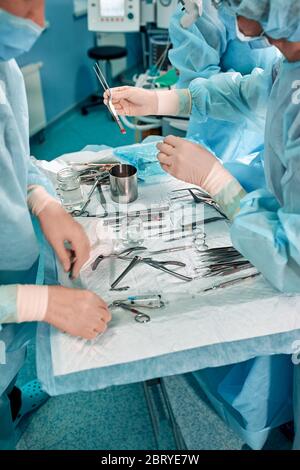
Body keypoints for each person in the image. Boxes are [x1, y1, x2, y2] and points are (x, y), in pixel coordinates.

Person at [105, 0, 300, 448]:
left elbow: (292, 258)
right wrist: (162, 98)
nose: (242, 27)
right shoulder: (290, 64)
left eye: (248, 9)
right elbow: (250, 88)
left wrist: (218, 181)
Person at [0, 0, 111, 450]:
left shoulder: (4, 65)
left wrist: (43, 201)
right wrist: (36, 302)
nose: (39, 18)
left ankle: (7, 402)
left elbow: (10, 153)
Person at [169, 0, 278, 164]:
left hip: (269, 141)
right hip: (219, 141)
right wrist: (158, 101)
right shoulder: (205, 11)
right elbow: (197, 89)